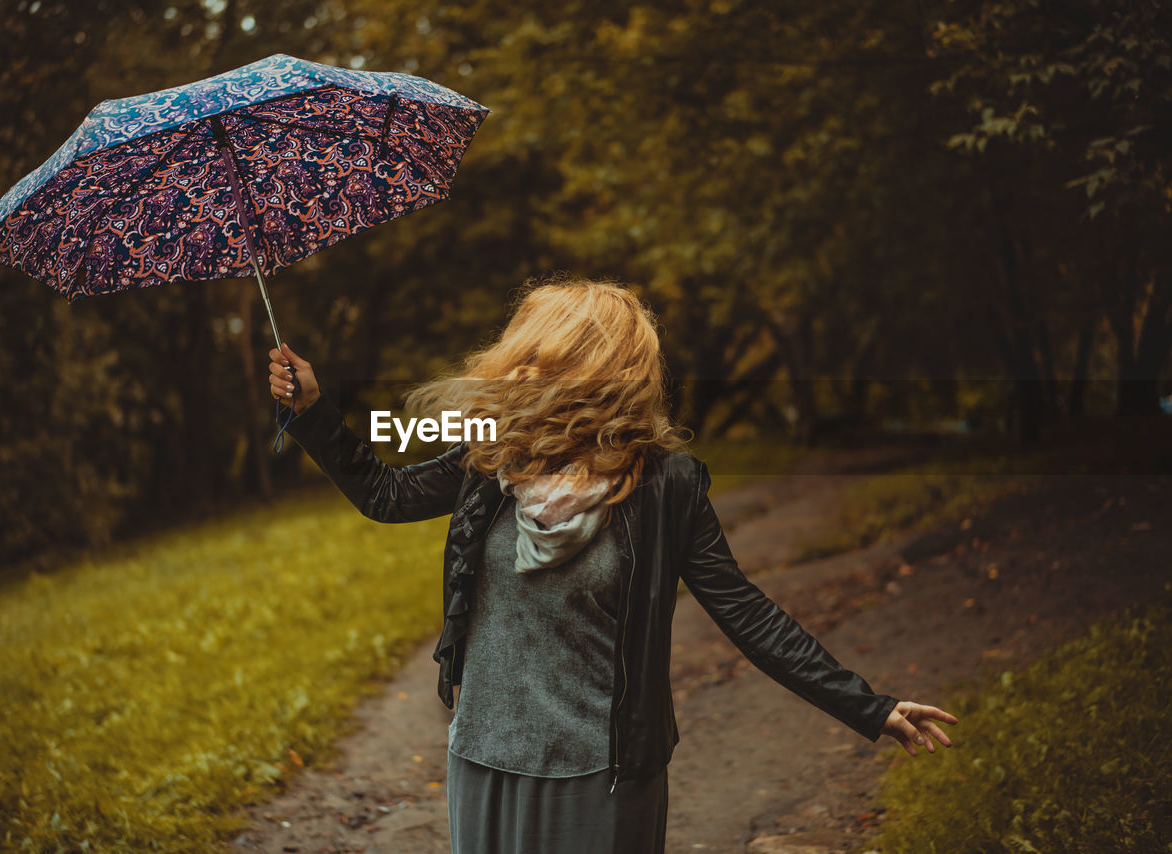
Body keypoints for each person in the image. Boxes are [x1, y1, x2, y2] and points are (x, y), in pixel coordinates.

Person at [264, 276, 956, 854]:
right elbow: (385, 495)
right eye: (523, 353)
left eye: (539, 355)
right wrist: (315, 410)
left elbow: (745, 612)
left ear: (587, 371)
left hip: (600, 773)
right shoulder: (492, 458)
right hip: (484, 754)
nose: (520, 367)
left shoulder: (664, 486)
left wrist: (869, 707)